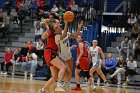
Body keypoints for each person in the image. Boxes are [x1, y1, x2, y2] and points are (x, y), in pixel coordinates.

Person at [38, 19, 68, 93]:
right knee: (63, 67)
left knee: (55, 76)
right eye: (57, 22)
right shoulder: (50, 31)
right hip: (49, 52)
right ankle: (59, 86)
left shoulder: (56, 31)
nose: (58, 23)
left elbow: (63, 34)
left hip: (52, 53)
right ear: (53, 24)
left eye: (58, 22)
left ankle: (43, 90)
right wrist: (47, 30)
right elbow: (43, 36)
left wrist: (66, 23)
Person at [55, 20, 84, 90]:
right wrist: (66, 23)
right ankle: (59, 84)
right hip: (61, 56)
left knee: (70, 71)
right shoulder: (56, 36)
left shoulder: (67, 33)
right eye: (57, 28)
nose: (59, 28)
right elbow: (63, 35)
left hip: (68, 54)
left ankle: (67, 83)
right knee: (65, 71)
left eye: (60, 27)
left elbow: (75, 36)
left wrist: (79, 28)